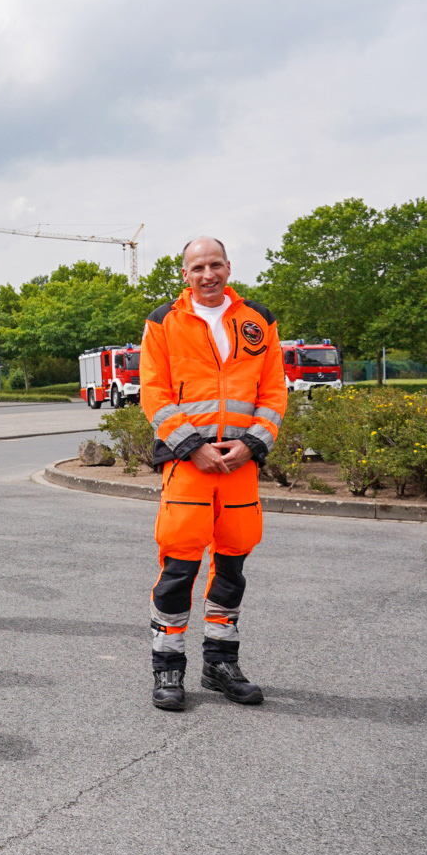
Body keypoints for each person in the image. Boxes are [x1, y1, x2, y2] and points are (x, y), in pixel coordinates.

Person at [140, 237, 285, 711]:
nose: (208, 274)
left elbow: (273, 392)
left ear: (228, 267)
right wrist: (193, 447)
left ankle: (220, 663)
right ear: (184, 273)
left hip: (239, 467)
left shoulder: (257, 320)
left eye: (215, 264)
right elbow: (154, 393)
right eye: (198, 266)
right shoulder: (163, 322)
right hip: (189, 467)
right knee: (178, 569)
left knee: (232, 569)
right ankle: (168, 667)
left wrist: (252, 444)